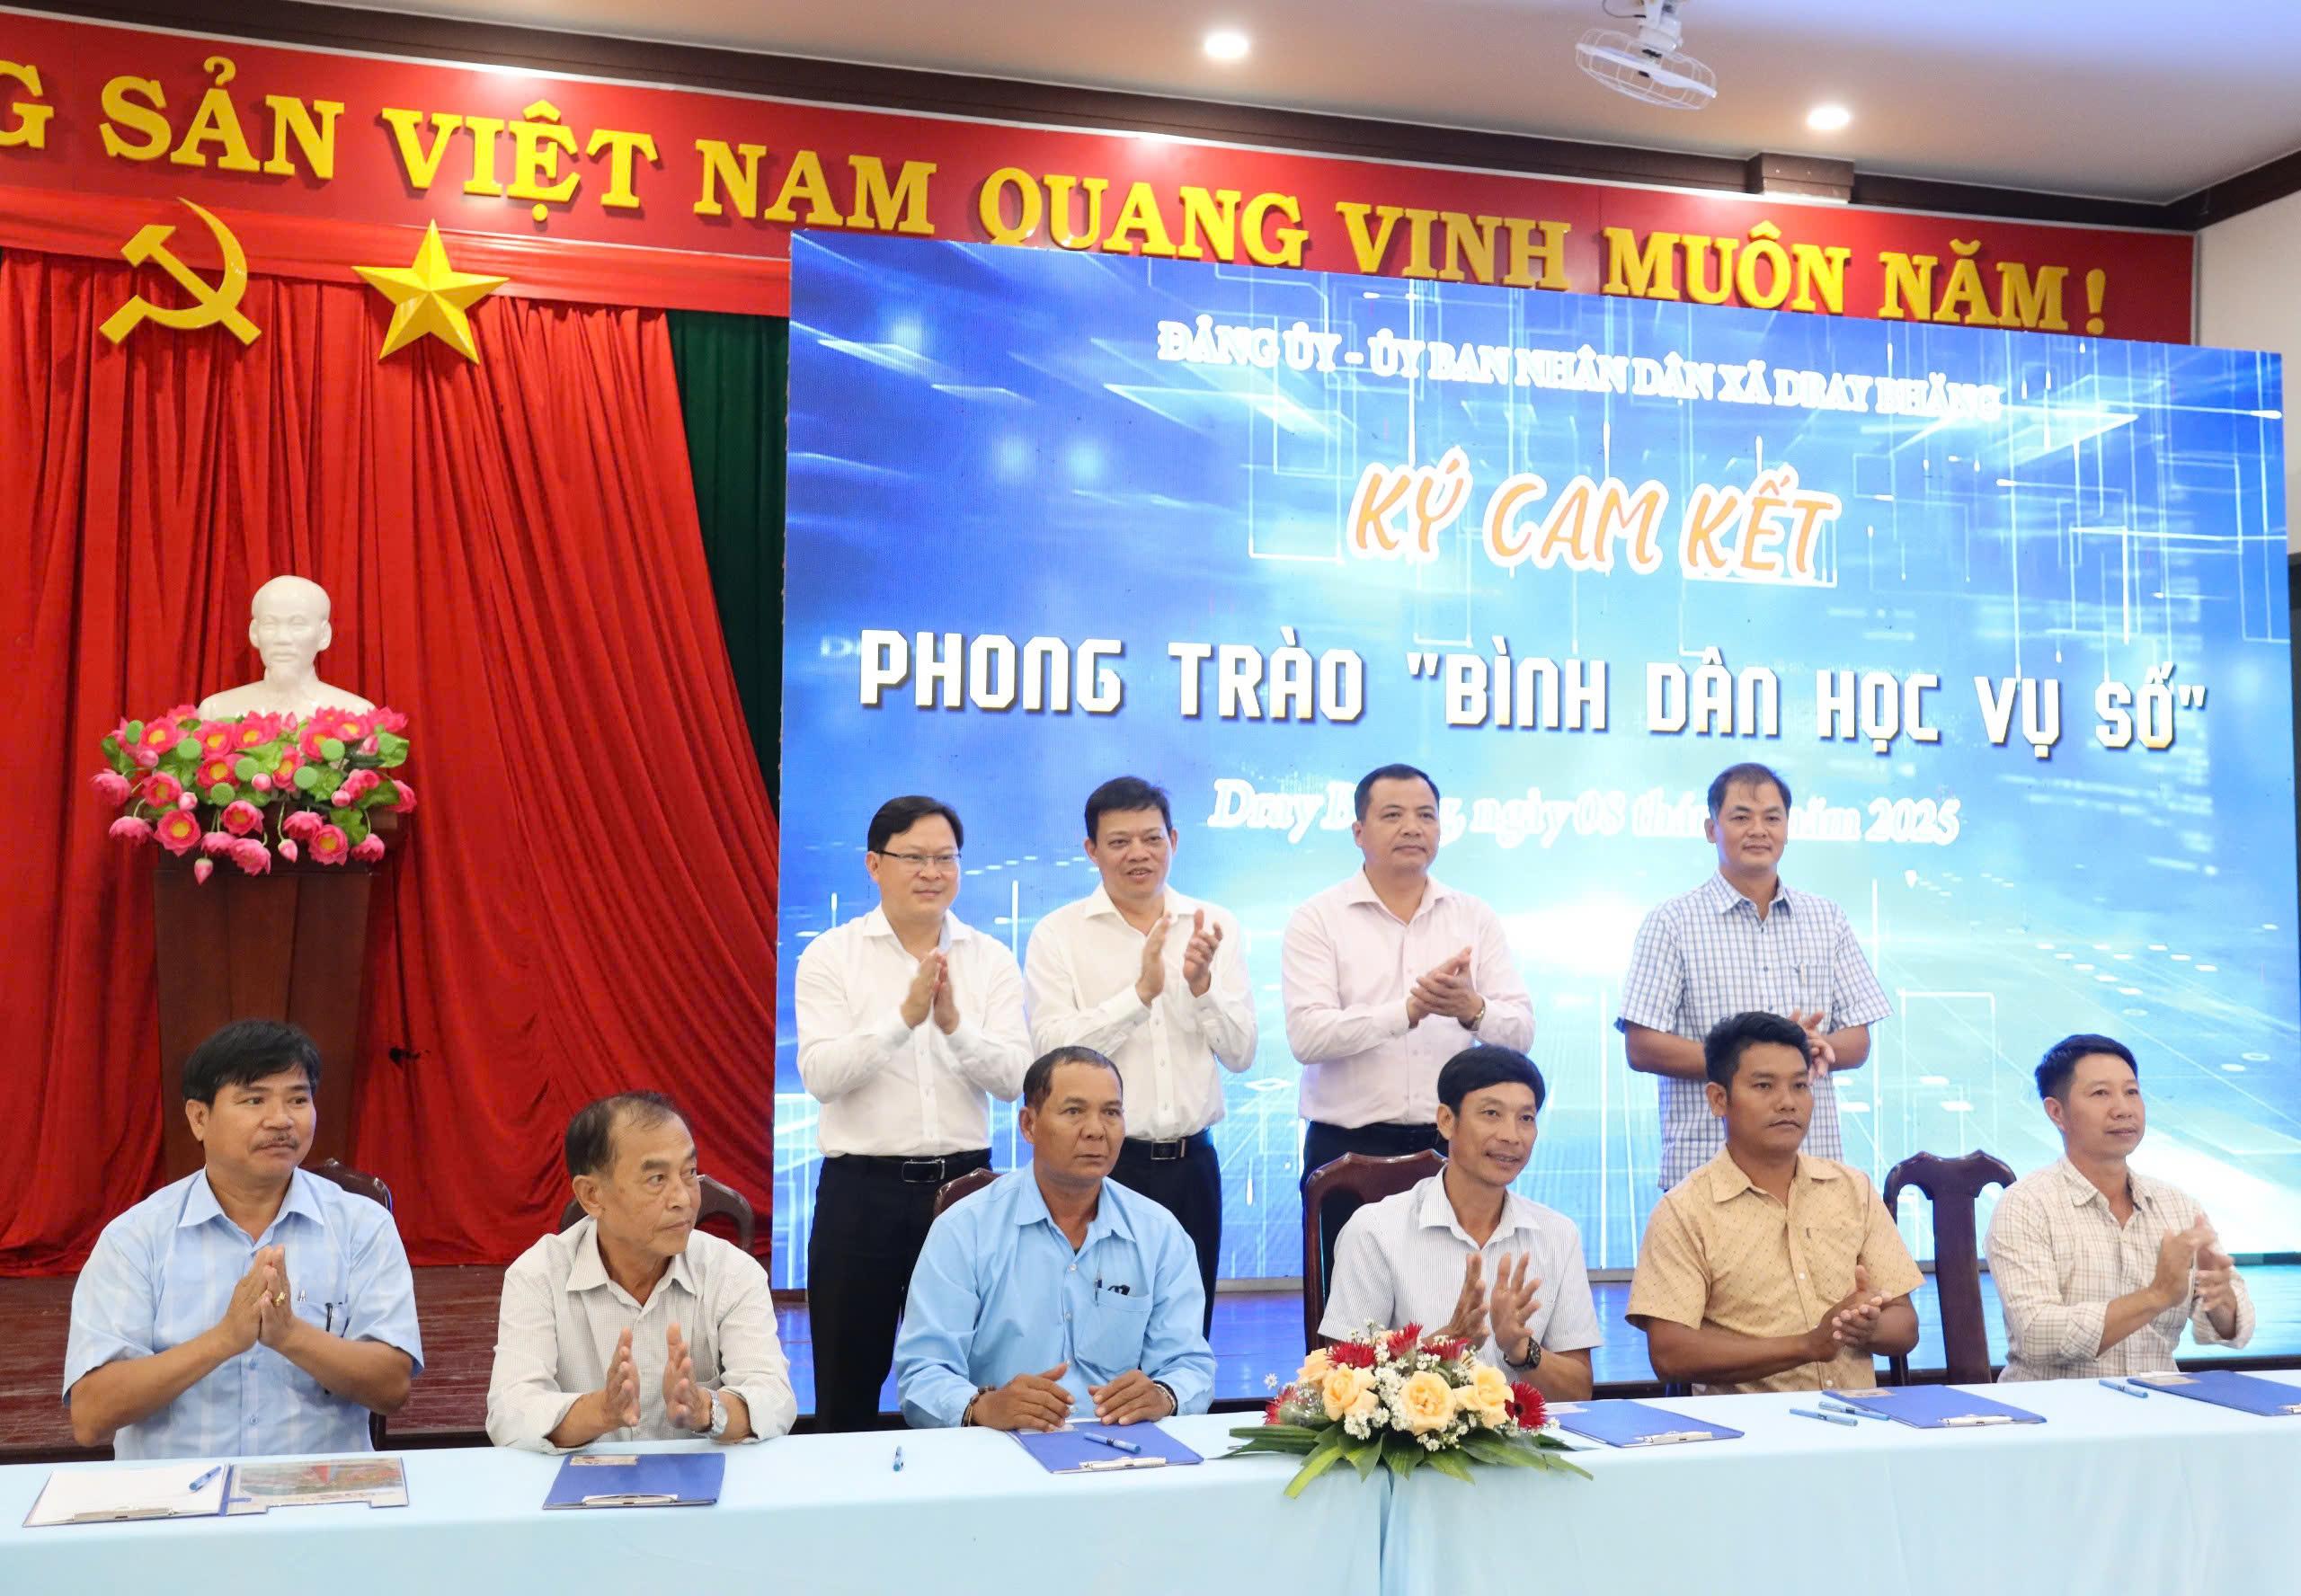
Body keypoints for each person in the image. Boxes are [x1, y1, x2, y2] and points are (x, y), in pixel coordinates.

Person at [63, 1020, 421, 1458]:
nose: (281, 1120)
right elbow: (91, 1415)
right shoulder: (135, 1239)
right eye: (254, 1100)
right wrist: (223, 1340)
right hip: (176, 1495)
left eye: (298, 1099)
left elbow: (391, 1388)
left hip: (318, 1492)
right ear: (199, 1118)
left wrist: (291, 1336)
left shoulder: (363, 1226)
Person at [794, 794, 1032, 1431]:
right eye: (914, 858)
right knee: (848, 1382)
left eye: (946, 858)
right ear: (874, 864)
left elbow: (1015, 1079)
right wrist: (903, 1018)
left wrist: (953, 1026)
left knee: (974, 1378)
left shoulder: (990, 957)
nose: (932, 872)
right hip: (861, 1194)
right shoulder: (831, 955)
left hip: (968, 1194)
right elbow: (821, 1076)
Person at [1283, 763, 1533, 1282]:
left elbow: (1520, 1032)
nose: (1412, 828)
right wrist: (1407, 1013)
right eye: (1393, 815)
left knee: (1454, 1302)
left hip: (1454, 1151)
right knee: (1354, 1312)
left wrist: (1472, 1009)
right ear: (1359, 832)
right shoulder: (1319, 917)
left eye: (1426, 815)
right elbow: (1308, 1036)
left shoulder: (1472, 916)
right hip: (1347, 1151)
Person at [1026, 776, 1256, 1334]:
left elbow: (1242, 1053)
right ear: (1092, 850)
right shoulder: (1058, 934)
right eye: (1119, 841)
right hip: (1099, 1169)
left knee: (1187, 1329)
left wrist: (1201, 989)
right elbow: (1050, 1053)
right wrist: (1139, 997)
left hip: (1192, 1165)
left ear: (1173, 840)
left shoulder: (1214, 926)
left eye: (1152, 839)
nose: (1139, 854)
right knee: (1093, 1329)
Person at [893, 1047, 1215, 1430]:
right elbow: (923, 1372)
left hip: (1123, 1445)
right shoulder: (965, 1230)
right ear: (1028, 1125)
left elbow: (1190, 1364)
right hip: (1000, 1442)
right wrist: (983, 1407)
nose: (1096, 1130)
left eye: (1111, 1112)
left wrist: (1164, 1394)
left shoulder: (1159, 1233)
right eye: (1074, 1111)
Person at [1618, 762, 1891, 1193]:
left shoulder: (1827, 919)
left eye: (1772, 818)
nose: (1758, 830)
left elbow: (1857, 1041)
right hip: (1706, 1171)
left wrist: (1813, 1048)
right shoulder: (1672, 922)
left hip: (1813, 1166)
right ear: (1712, 829)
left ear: (1787, 828)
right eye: (1741, 817)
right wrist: (1748, 1063)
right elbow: (1642, 1045)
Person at [1628, 1011, 1921, 1393]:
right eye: (1764, 1086)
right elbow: (1670, 1354)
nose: (1787, 1102)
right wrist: (1806, 1346)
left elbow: (1905, 1326)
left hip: (1859, 1419)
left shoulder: (1853, 1189)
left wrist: (1867, 1327)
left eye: (1800, 1086)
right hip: (1743, 1427)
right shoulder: (1685, 1211)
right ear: (1719, 1099)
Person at [486, 1092, 795, 1450]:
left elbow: (775, 1400)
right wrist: (601, 1411)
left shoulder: (732, 1272)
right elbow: (510, 1413)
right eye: (657, 1179)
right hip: (585, 1481)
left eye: (689, 1173)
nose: (683, 1199)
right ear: (592, 1195)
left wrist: (706, 1410)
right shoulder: (537, 1276)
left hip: (704, 1480)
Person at [1320, 1046, 1599, 1399]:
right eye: (1492, 1113)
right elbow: (1342, 1381)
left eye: (1526, 1118)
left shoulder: (1558, 1235)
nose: (1512, 1136)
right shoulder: (1375, 1230)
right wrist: (1444, 1344)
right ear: (1446, 1121)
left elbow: (1579, 1391)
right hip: (1415, 1437)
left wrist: (1521, 1350)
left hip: (1525, 1435)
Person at [1985, 1034, 2253, 1381]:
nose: (2123, 1108)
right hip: (2053, 1407)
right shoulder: (2025, 1205)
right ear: (2056, 1112)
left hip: (2159, 1402)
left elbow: (2233, 1329)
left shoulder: (2177, 1205)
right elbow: (2038, 1334)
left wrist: (2221, 1299)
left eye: (2131, 1092)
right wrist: (2156, 1296)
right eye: (2101, 1093)